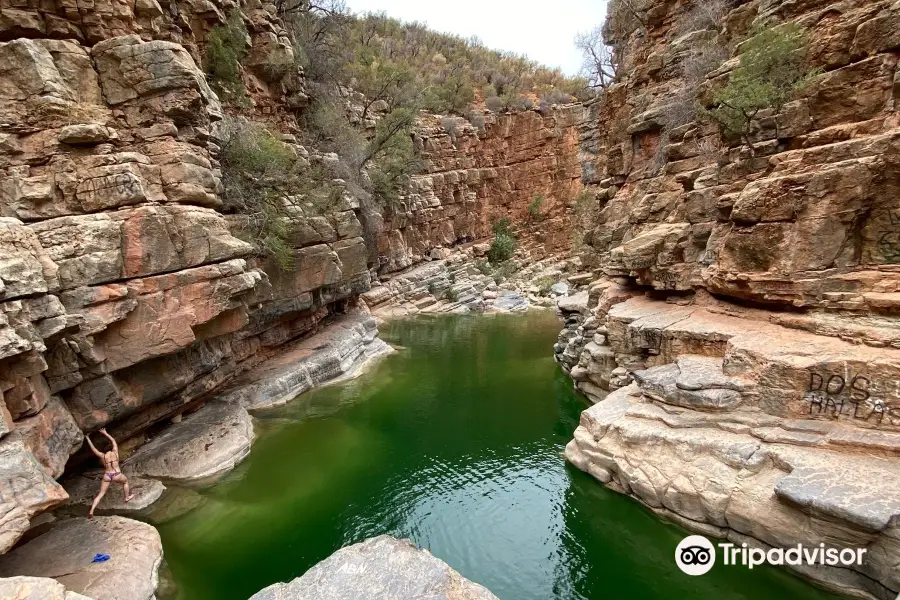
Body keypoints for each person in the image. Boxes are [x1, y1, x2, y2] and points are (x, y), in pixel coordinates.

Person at [85, 428, 135, 518]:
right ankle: (127, 497)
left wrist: (88, 438)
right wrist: (105, 433)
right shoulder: (115, 453)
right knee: (125, 482)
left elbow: (93, 449)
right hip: (117, 475)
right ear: (111, 448)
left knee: (101, 494)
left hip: (107, 476)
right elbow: (113, 440)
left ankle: (92, 511)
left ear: (105, 450)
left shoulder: (103, 456)